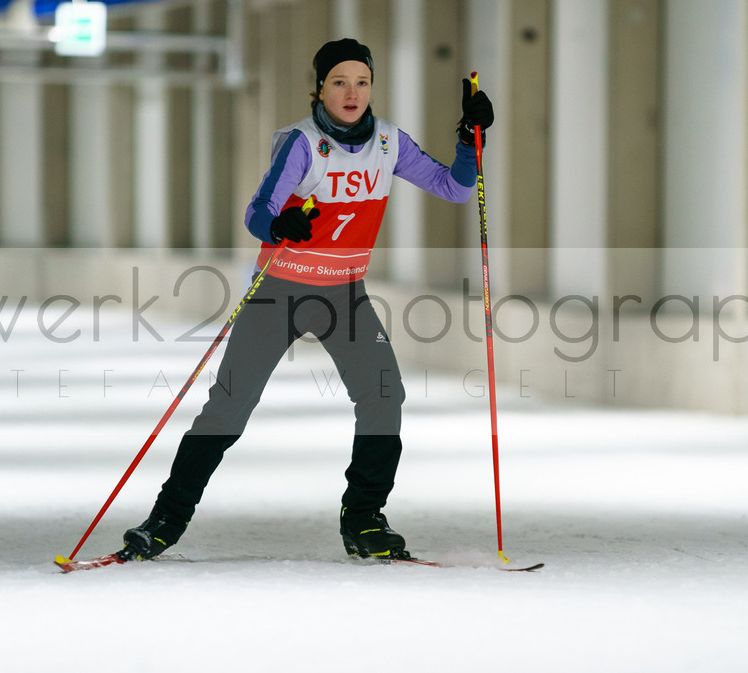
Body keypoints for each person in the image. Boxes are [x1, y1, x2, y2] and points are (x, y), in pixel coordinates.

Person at [117, 38, 494, 562]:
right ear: (319, 88)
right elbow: (257, 212)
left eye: (362, 82)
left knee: (385, 396)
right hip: (280, 290)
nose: (352, 92)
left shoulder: (388, 143)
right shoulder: (301, 143)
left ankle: (363, 519)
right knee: (228, 407)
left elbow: (454, 189)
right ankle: (165, 520)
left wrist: (469, 141)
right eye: (340, 82)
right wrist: (279, 223)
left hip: (344, 294)